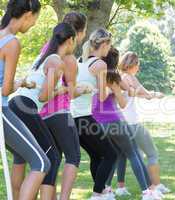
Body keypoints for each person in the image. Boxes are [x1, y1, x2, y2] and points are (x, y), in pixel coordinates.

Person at [81, 28, 162, 200]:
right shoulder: (113, 76)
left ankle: (106, 190)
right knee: (132, 152)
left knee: (111, 154)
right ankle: (147, 192)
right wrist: (121, 91)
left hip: (96, 119)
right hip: (113, 119)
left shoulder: (92, 69)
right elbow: (124, 100)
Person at [0, 1, 52, 200]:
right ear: (28, 14)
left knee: (22, 155)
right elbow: (5, 89)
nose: (33, 25)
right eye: (35, 20)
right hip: (1, 111)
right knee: (41, 162)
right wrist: (21, 82)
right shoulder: (11, 43)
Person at [108, 51, 170, 197]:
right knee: (152, 153)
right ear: (132, 65)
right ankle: (155, 185)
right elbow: (145, 93)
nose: (138, 68)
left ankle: (118, 187)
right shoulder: (130, 77)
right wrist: (156, 95)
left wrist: (150, 95)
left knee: (122, 155)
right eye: (138, 65)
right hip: (133, 123)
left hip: (121, 123)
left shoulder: (120, 77)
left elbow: (137, 93)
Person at [33, 23, 77, 200]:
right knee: (73, 156)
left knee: (53, 159)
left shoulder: (45, 54)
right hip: (58, 112)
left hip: (42, 115)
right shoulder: (60, 60)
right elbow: (48, 94)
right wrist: (68, 89)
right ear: (70, 40)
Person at [71, 46, 119, 200]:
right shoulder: (100, 64)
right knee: (111, 154)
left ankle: (102, 191)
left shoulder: (79, 61)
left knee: (96, 155)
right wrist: (113, 91)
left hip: (72, 117)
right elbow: (102, 96)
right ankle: (97, 194)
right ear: (104, 45)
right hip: (83, 117)